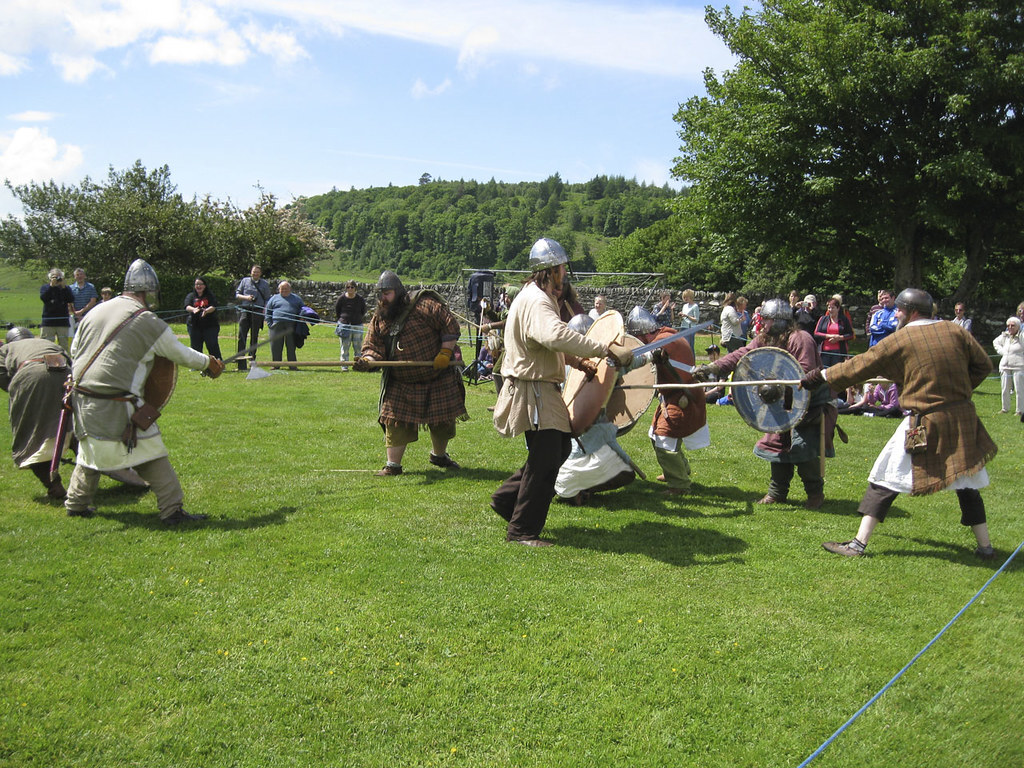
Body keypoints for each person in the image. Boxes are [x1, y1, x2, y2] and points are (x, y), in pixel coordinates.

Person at [804, 288, 998, 559]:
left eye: (898, 309)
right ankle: (986, 548)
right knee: (966, 481)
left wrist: (822, 375)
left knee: (885, 476)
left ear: (911, 311)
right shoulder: (955, 331)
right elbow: (982, 366)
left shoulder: (903, 337)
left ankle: (858, 544)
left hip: (924, 421)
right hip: (962, 417)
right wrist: (957, 392)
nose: (895, 314)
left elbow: (862, 364)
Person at [490, 238, 631, 546]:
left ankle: (506, 500)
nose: (565, 274)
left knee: (556, 452)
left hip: (537, 388)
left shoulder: (532, 298)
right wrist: (601, 349)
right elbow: (554, 335)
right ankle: (522, 531)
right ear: (551, 270)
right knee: (547, 460)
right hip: (534, 391)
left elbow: (541, 344)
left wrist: (578, 362)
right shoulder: (537, 300)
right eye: (562, 268)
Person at [63, 259, 225, 523]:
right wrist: (208, 363)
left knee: (91, 450)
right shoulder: (147, 321)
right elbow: (178, 353)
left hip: (82, 398)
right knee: (152, 453)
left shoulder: (96, 312)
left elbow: (75, 351)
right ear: (147, 293)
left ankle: (76, 503)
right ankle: (172, 510)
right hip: (118, 401)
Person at [695, 298, 836, 509]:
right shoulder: (765, 338)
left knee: (802, 449)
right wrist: (713, 368)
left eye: (768, 320)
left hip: (810, 405)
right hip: (780, 404)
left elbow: (804, 374)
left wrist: (779, 384)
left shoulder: (801, 338)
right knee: (777, 447)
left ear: (780, 321)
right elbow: (742, 354)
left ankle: (815, 494)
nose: (764, 325)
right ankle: (777, 493)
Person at [354, 270, 467, 476]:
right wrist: (367, 361)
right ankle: (393, 466)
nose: (382, 299)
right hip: (401, 382)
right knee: (394, 423)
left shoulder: (425, 305)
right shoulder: (379, 317)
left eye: (386, 293)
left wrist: (444, 352)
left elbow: (450, 326)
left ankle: (439, 456)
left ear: (398, 292)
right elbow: (373, 346)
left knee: (442, 422)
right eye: (380, 294)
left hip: (437, 376)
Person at [627, 306, 710, 495]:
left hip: (683, 398)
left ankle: (679, 485)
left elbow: (647, 356)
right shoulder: (664, 336)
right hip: (672, 396)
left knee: (664, 438)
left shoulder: (664, 341)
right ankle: (678, 469)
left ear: (643, 334)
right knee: (654, 434)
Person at [0, 327, 73, 499]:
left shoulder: (6, 349)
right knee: (73, 427)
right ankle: (88, 475)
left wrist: (18, 389)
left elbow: (2, 376)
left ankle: (53, 486)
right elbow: (70, 362)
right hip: (67, 377)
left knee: (30, 435)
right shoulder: (47, 342)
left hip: (31, 375)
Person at [234, 265, 273, 371]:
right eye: (253, 272)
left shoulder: (264, 284)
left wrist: (264, 311)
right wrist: (246, 298)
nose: (255, 274)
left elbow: (267, 299)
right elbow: (237, 295)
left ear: (260, 273)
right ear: (251, 272)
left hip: (257, 312)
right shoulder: (244, 281)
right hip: (245, 310)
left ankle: (252, 357)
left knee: (254, 336)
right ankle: (240, 358)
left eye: (257, 272)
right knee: (242, 335)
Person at [265, 280, 304, 370]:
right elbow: (268, 311)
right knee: (276, 346)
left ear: (290, 289)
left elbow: (303, 309)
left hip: (291, 324)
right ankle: (276, 365)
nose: (284, 290)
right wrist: (270, 324)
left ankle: (292, 365)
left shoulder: (296, 298)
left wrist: (301, 316)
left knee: (291, 345)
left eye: (286, 289)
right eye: (282, 289)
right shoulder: (274, 298)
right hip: (276, 324)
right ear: (279, 289)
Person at [183, 276, 222, 359]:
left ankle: (218, 363)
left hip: (210, 325)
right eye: (197, 284)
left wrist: (207, 311)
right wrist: (193, 309)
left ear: (205, 286)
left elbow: (214, 306)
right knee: (195, 346)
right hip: (194, 325)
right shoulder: (191, 296)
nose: (198, 286)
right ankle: (196, 364)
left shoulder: (210, 295)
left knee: (212, 344)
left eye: (200, 284)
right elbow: (187, 306)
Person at [993, 316, 1023, 415]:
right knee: (1005, 388)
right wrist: (1002, 352)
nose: (1010, 327)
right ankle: (1005, 408)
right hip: (1005, 365)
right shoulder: (1005, 336)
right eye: (1008, 325)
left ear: (1018, 326)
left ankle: (1020, 410)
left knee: (1019, 389)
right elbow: (995, 342)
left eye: (1012, 326)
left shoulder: (1022, 336)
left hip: (1019, 366)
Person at [39, 268, 75, 352]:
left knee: (64, 346)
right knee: (46, 345)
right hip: (48, 322)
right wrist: (51, 286)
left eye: (59, 277)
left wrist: (63, 287)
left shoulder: (66, 288)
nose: (57, 279)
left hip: (62, 322)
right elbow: (44, 298)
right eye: (54, 277)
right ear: (50, 278)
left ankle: (65, 362)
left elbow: (71, 299)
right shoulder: (45, 287)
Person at [814, 295, 854, 367]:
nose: (830, 310)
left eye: (833, 308)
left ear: (838, 308)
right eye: (829, 308)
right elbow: (816, 333)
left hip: (839, 352)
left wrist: (839, 338)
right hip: (824, 352)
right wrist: (829, 336)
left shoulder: (844, 319)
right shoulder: (823, 319)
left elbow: (851, 334)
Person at [334, 280, 367, 365]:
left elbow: (363, 311)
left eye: (352, 287)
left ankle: (359, 365)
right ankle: (344, 365)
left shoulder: (360, 299)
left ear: (355, 288)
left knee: (358, 348)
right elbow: (337, 310)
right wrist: (343, 320)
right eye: (348, 287)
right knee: (345, 347)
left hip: (357, 325)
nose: (350, 289)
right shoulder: (341, 298)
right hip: (345, 325)